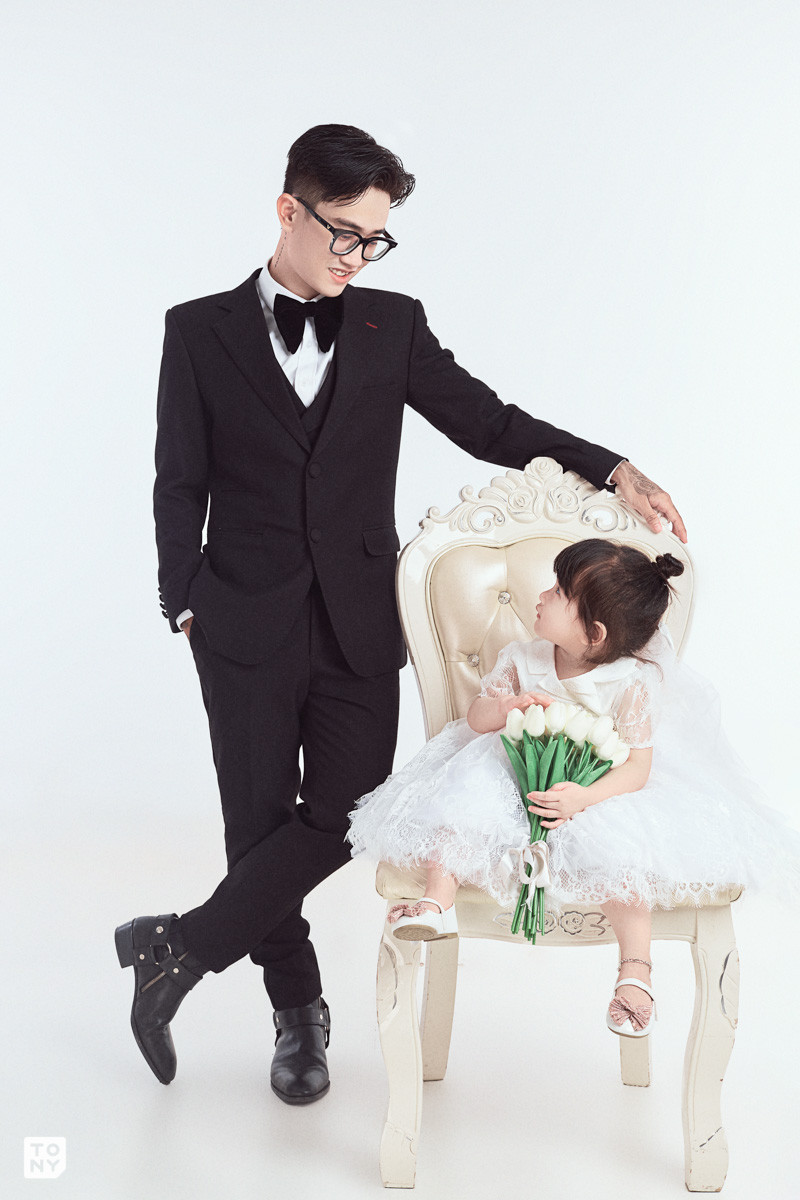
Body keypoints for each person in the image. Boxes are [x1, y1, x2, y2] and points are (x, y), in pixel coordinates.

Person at [118, 124, 688, 1100]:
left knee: (349, 813)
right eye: (343, 233)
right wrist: (184, 603)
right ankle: (298, 1015)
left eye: (374, 240)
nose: (357, 256)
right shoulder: (198, 331)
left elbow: (488, 422)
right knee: (257, 826)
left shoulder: (392, 326)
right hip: (240, 620)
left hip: (355, 621)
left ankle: (179, 948)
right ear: (288, 210)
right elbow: (179, 481)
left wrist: (612, 465)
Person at [347, 539, 800, 1037]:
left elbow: (637, 768)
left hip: (593, 795)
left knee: (623, 858)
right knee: (463, 803)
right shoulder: (523, 658)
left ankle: (635, 970)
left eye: (559, 591)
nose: (541, 594)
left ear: (594, 632)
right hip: (507, 777)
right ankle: (437, 902)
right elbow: (476, 719)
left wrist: (583, 798)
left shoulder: (630, 682)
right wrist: (506, 707)